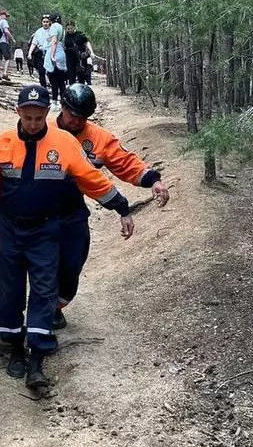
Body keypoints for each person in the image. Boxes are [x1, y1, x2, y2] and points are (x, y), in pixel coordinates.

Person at [0, 85, 135, 389]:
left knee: (43, 290)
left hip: (44, 231)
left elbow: (92, 180)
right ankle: (15, 350)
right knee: (8, 291)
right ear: (18, 113)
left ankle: (36, 359)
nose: (34, 123)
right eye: (28, 117)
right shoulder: (3, 143)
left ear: (47, 115)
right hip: (8, 230)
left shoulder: (63, 143)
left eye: (39, 118)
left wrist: (122, 207)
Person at [48, 84, 169, 329]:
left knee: (72, 263)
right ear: (62, 107)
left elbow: (125, 163)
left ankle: (56, 304)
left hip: (72, 211)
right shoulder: (43, 129)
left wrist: (153, 180)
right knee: (43, 262)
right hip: (38, 210)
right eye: (73, 114)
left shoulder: (98, 139)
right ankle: (41, 310)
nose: (76, 121)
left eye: (83, 117)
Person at [44, 13, 67, 111]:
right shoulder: (62, 28)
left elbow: (54, 41)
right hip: (61, 53)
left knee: (53, 81)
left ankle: (54, 102)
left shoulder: (53, 27)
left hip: (55, 52)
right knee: (61, 81)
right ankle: (63, 103)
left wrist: (52, 55)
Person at [27, 14, 51, 88]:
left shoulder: (53, 30)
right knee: (41, 71)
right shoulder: (38, 32)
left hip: (50, 53)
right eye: (44, 22)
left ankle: (53, 86)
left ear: (49, 22)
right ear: (41, 22)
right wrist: (30, 53)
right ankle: (43, 88)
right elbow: (34, 43)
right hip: (40, 53)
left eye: (47, 21)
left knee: (51, 71)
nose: (45, 23)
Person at [0, 9, 15, 81]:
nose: (7, 17)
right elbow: (6, 31)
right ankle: (5, 74)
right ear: (3, 15)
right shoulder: (3, 21)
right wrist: (12, 38)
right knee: (7, 58)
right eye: (6, 16)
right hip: (3, 42)